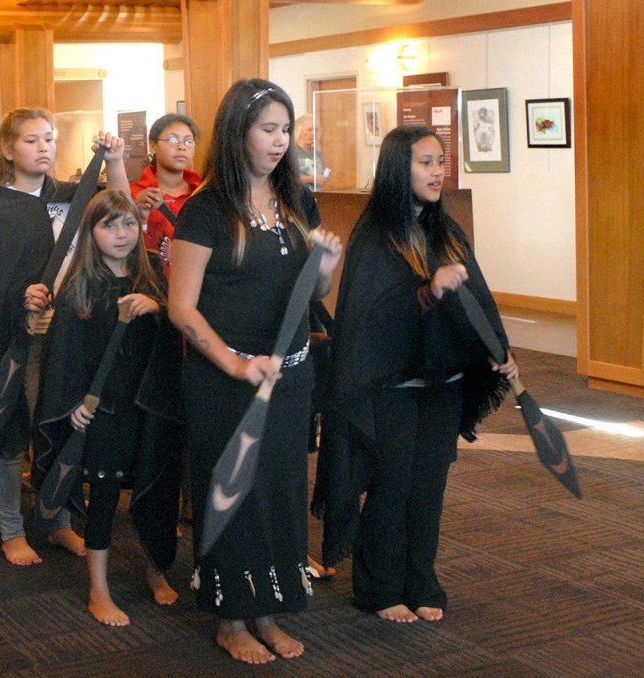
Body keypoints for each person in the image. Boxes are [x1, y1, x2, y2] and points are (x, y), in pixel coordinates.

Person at [312, 125, 517, 623]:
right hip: (392, 387)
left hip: (442, 383)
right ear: (397, 168)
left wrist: (496, 350)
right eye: (425, 162)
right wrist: (428, 291)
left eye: (440, 162)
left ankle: (421, 580)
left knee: (428, 490)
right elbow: (370, 320)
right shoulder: (376, 235)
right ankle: (379, 587)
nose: (437, 172)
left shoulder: (447, 230)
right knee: (393, 486)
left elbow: (477, 302)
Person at [168, 78, 341, 665]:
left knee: (281, 492)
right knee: (234, 495)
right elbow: (181, 307)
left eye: (285, 129)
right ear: (238, 132)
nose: (280, 140)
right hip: (226, 381)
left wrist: (326, 265)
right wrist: (235, 364)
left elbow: (313, 293)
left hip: (290, 376)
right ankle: (232, 619)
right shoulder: (206, 210)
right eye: (268, 128)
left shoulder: (296, 201)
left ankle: (269, 611)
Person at [0, 107, 127, 566]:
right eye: (31, 140)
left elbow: (123, 214)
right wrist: (19, 300)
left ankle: (57, 520)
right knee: (11, 430)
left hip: (69, 331)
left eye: (48, 139)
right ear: (8, 149)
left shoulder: (70, 195)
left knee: (62, 425)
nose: (43, 148)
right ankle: (12, 529)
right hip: (15, 338)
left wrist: (115, 161)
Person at [33, 190, 183, 626]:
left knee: (158, 490)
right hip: (106, 412)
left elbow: (180, 328)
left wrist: (158, 308)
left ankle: (156, 570)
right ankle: (98, 589)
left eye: (129, 224)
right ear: (91, 233)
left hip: (150, 406)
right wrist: (72, 405)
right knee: (103, 495)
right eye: (109, 225)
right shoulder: (80, 286)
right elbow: (64, 357)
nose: (121, 234)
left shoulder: (151, 274)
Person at [130, 114, 201, 276]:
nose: (182, 147)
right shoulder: (135, 193)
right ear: (153, 146)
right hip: (147, 284)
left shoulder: (203, 194)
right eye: (173, 140)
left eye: (188, 141)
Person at [293, 114, 329, 189]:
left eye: (316, 130)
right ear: (299, 130)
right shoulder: (290, 152)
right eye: (309, 130)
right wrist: (312, 179)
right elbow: (286, 179)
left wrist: (323, 178)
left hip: (316, 194)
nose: (314, 133)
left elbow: (322, 174)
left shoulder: (317, 153)